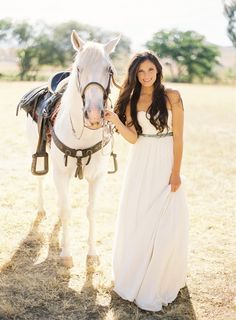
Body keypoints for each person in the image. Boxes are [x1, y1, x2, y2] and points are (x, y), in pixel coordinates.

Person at [104, 51, 188, 312]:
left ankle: (160, 277)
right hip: (140, 163)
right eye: (141, 71)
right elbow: (132, 139)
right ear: (135, 74)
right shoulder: (131, 99)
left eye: (150, 70)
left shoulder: (172, 96)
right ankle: (135, 273)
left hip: (164, 161)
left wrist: (175, 173)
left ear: (158, 70)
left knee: (166, 221)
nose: (146, 75)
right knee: (138, 217)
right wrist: (117, 121)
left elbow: (178, 138)